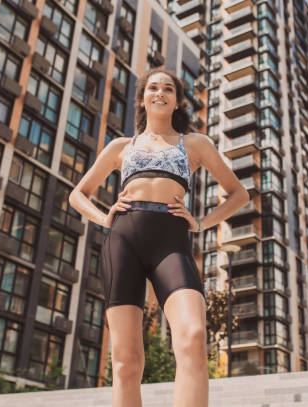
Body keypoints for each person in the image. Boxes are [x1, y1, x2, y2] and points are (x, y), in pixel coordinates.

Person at [69, 67, 249, 407]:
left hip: (171, 242)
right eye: (153, 87)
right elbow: (78, 194)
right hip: (123, 241)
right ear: (142, 99)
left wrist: (202, 222)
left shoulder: (195, 143)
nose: (160, 92)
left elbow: (239, 194)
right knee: (125, 362)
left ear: (177, 100)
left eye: (168, 88)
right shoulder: (122, 146)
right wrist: (103, 217)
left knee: (194, 336)